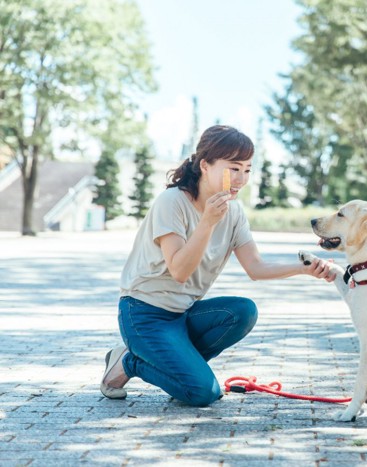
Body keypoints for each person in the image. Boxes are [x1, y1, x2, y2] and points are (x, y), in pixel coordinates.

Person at [100, 125, 335, 407]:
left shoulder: (234, 212)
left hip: (182, 314)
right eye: (233, 168)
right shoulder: (172, 202)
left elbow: (256, 267)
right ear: (205, 166)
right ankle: (130, 361)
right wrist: (207, 222)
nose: (241, 179)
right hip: (143, 314)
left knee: (242, 311)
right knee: (203, 393)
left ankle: (175, 366)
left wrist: (302, 268)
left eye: (247, 169)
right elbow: (180, 271)